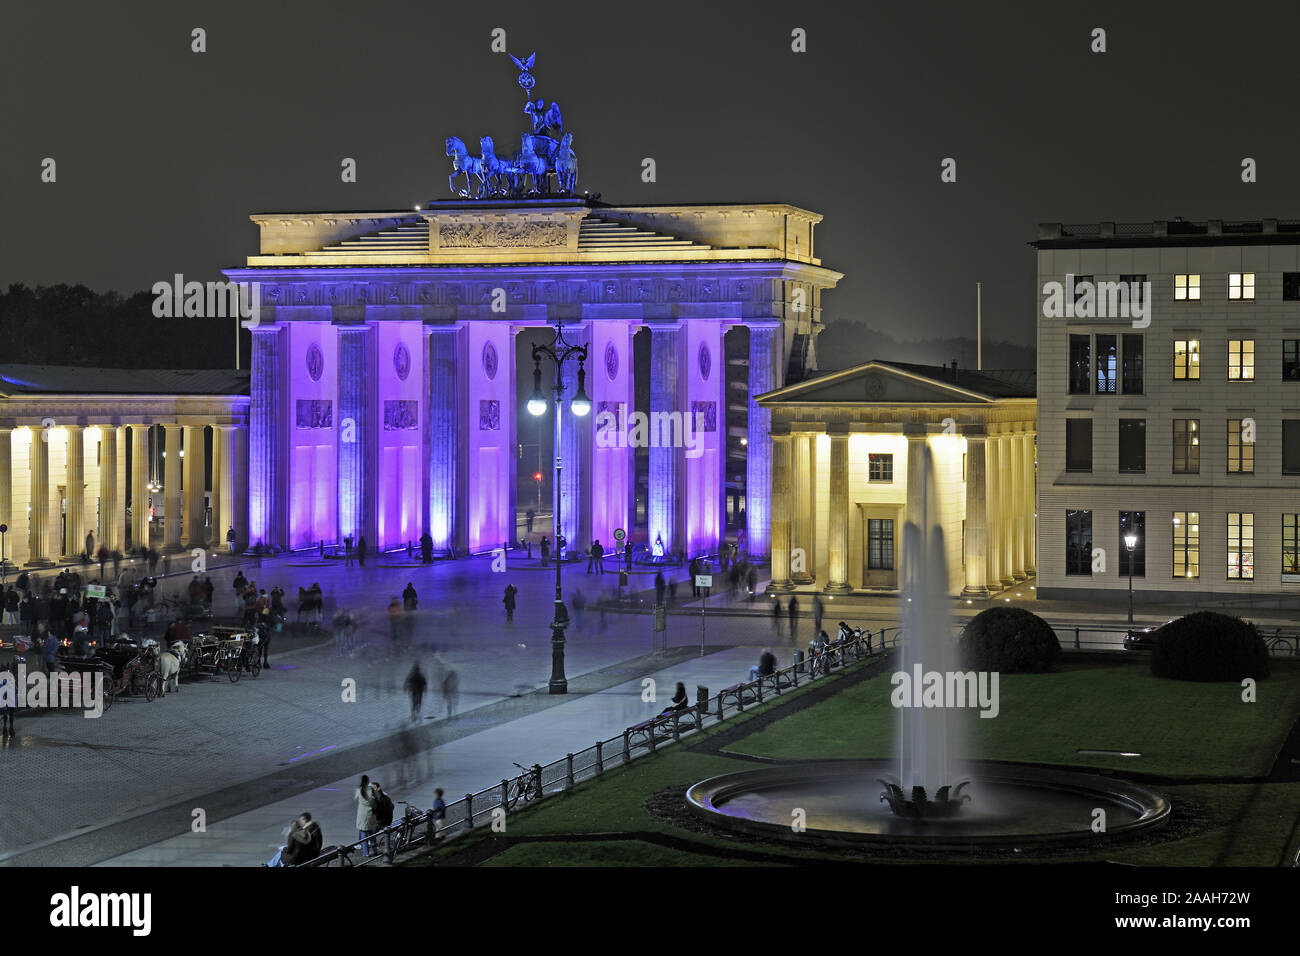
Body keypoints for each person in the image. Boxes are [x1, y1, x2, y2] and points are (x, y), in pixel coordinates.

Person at [355, 775, 378, 857]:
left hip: (362, 814)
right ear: (368, 781)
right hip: (370, 813)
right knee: (372, 833)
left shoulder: (359, 790)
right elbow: (377, 798)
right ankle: (374, 850)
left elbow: (356, 798)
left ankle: (366, 853)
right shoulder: (371, 790)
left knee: (363, 833)